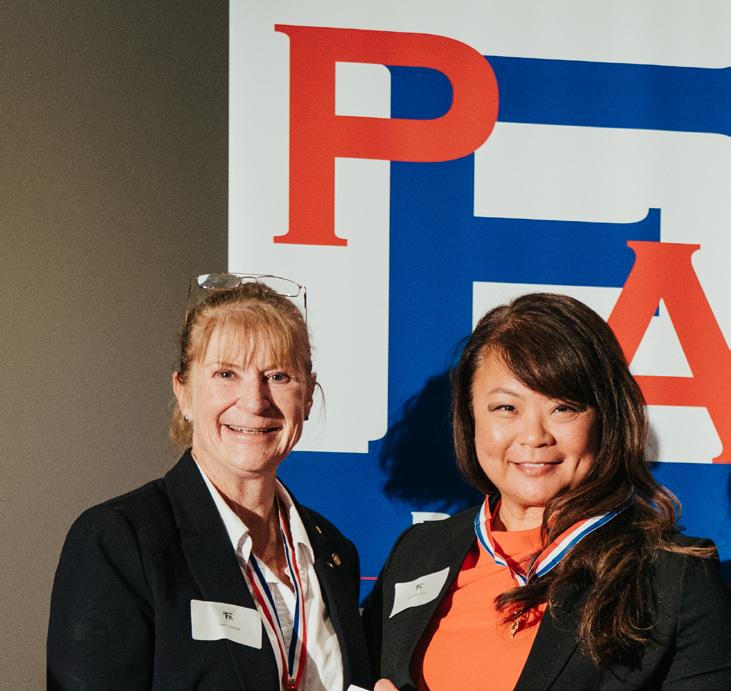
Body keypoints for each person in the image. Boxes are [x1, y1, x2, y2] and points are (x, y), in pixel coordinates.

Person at [363, 293, 731, 691]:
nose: (535, 436)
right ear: (470, 418)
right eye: (506, 408)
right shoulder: (417, 554)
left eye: (564, 408)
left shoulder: (671, 578)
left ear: (605, 418)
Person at [48, 273, 371, 691]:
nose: (254, 401)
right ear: (183, 392)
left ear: (307, 396)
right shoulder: (121, 541)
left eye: (278, 376)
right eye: (226, 374)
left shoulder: (333, 552)